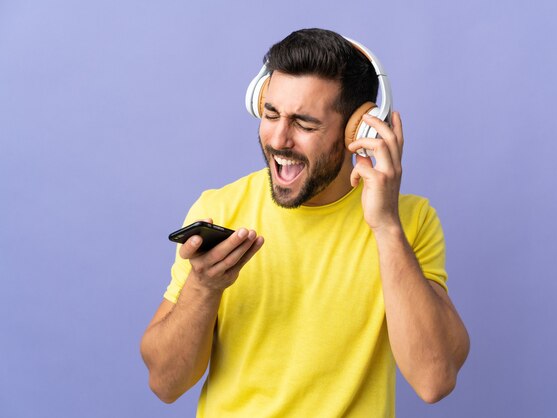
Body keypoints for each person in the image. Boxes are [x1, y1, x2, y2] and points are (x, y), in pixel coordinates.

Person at [140, 28, 469, 417]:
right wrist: (204, 286)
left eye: (305, 124)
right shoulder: (219, 209)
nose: (279, 139)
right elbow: (164, 383)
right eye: (271, 114)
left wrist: (385, 227)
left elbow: (434, 379)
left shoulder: (409, 221)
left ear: (358, 130)